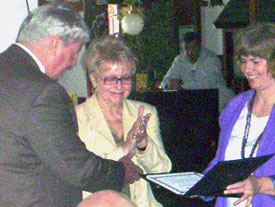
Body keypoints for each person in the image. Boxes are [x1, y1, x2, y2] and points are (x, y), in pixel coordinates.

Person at [0, 2, 142, 207]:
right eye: (74, 52)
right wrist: (121, 172)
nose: (73, 62)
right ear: (56, 43)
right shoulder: (43, 92)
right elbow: (76, 166)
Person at [203, 22, 275, 207]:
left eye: (255, 61)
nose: (247, 69)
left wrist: (260, 184)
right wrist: (201, 186)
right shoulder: (235, 106)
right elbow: (221, 161)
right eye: (243, 60)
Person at [76, 36, 172, 207]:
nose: (119, 86)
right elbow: (85, 173)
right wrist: (125, 147)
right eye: (111, 79)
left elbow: (162, 170)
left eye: (126, 78)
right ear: (93, 79)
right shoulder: (76, 116)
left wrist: (143, 144)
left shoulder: (145, 112)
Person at [160, 32, 234, 110]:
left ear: (199, 46)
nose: (190, 52)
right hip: (191, 102)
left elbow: (208, 85)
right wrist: (169, 84)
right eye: (186, 49)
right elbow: (165, 81)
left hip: (215, 101)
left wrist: (182, 87)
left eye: (193, 48)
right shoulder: (179, 60)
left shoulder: (212, 59)